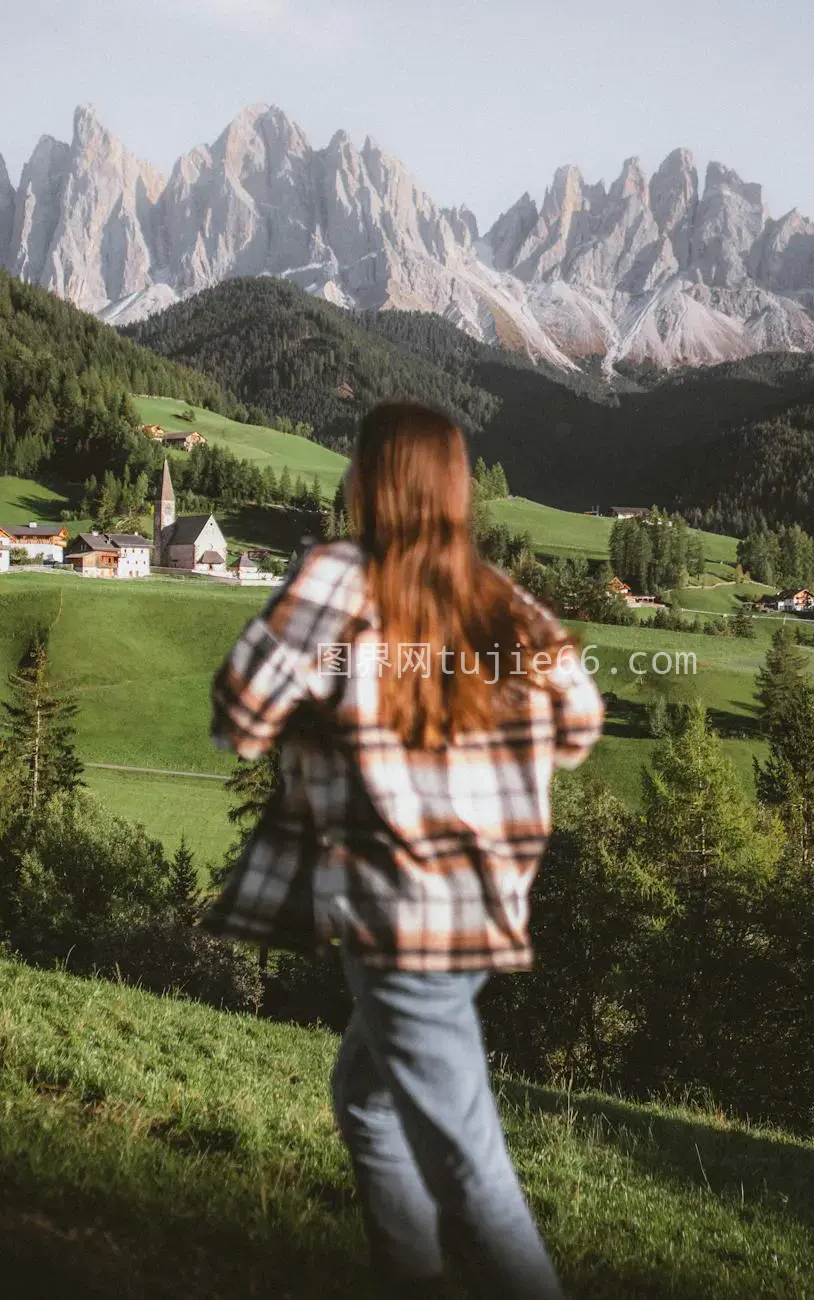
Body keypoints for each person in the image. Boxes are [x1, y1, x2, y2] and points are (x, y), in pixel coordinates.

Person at [202, 401, 605, 1298]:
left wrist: (332, 712)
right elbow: (580, 720)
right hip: (484, 905)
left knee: (469, 1166)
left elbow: (239, 717)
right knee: (370, 1103)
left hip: (398, 908)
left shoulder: (340, 576)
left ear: (371, 481)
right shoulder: (495, 593)